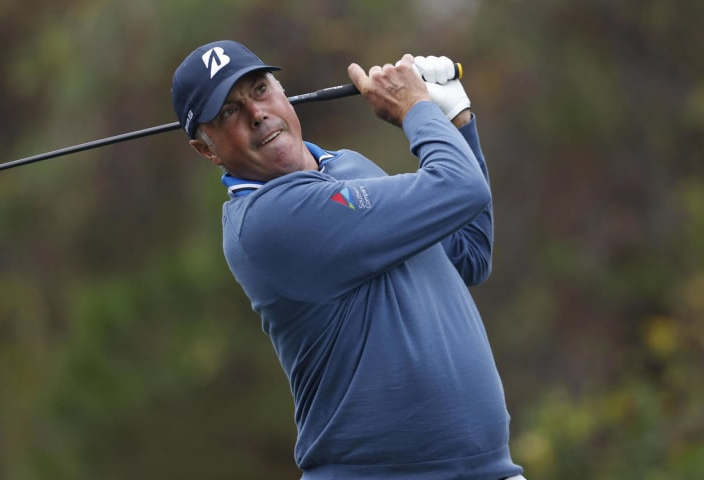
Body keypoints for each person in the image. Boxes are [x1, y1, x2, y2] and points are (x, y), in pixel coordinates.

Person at [171, 40, 526, 480]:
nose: (256, 113)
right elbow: (461, 188)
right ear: (207, 150)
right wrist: (415, 108)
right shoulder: (267, 222)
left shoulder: (348, 167)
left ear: (283, 94)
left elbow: (469, 254)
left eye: (260, 89)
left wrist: (456, 119)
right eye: (228, 112)